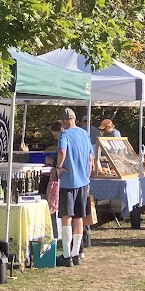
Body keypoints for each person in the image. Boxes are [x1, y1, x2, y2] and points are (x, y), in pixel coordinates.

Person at [54, 108, 94, 267]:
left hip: (68, 182)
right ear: (75, 119)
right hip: (83, 181)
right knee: (79, 217)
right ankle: (76, 254)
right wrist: (87, 177)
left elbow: (62, 151)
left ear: (63, 121)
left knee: (66, 217)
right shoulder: (84, 134)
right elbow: (90, 158)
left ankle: (66, 255)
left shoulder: (64, 135)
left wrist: (58, 167)